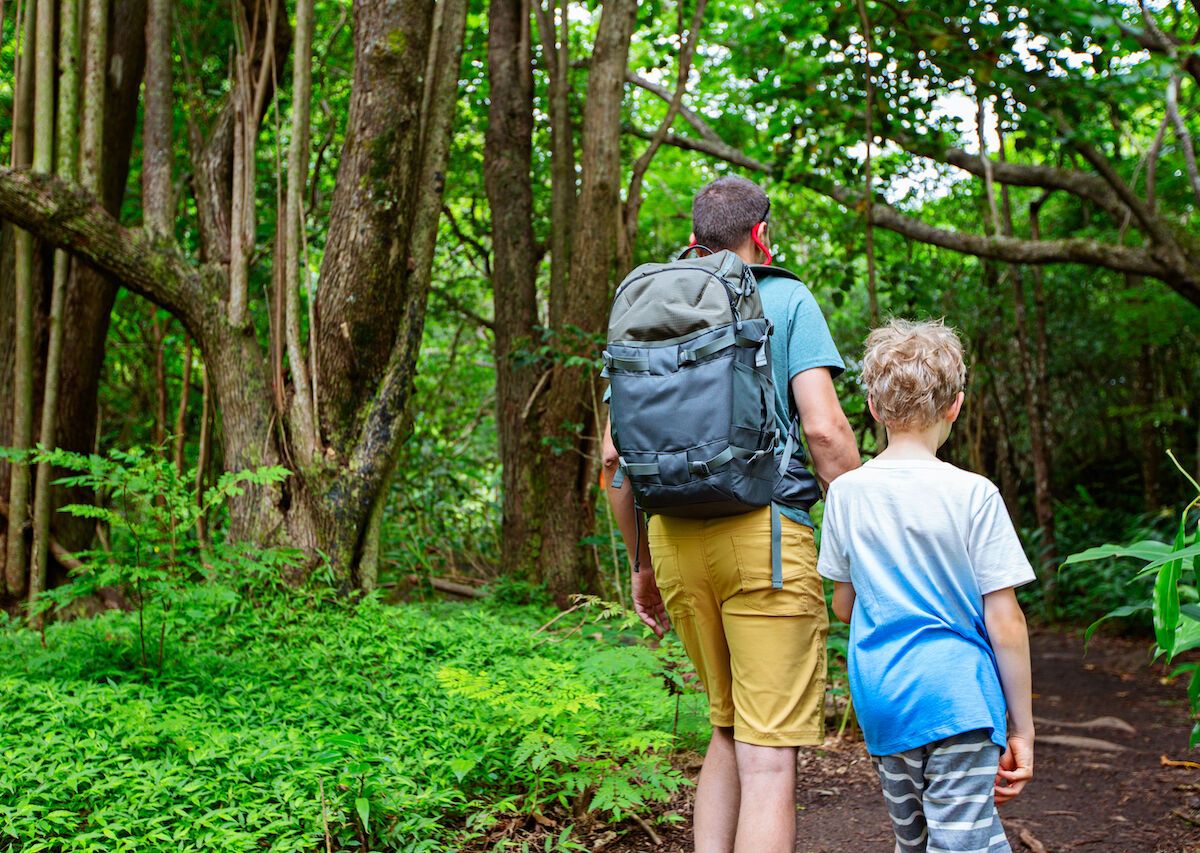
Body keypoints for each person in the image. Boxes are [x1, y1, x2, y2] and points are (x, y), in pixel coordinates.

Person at [602, 175, 860, 852]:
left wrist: (641, 563)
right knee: (769, 755)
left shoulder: (651, 311)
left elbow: (612, 461)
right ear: (761, 235)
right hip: (767, 538)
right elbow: (827, 434)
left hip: (674, 542)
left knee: (725, 728)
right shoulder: (787, 297)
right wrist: (868, 536)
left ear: (694, 241)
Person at [817, 319, 1035, 853]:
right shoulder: (974, 494)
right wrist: (1022, 728)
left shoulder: (846, 493)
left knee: (913, 840)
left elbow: (843, 605)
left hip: (884, 699)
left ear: (872, 407)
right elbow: (1005, 621)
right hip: (959, 697)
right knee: (962, 841)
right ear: (954, 406)